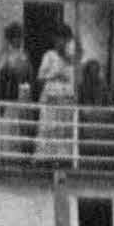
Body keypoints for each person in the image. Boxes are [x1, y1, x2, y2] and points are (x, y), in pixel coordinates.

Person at [34, 24, 82, 159]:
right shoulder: (49, 56)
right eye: (60, 38)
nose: (62, 42)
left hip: (66, 97)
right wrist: (53, 76)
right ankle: (44, 157)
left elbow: (76, 79)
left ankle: (63, 157)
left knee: (64, 129)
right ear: (55, 39)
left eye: (65, 39)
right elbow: (40, 79)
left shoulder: (72, 59)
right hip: (51, 95)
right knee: (49, 127)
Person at [0, 22, 36, 155]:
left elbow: (30, 74)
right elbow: (0, 77)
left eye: (20, 37)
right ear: (10, 39)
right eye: (15, 37)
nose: (18, 40)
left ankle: (21, 154)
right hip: (9, 93)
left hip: (23, 94)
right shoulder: (4, 55)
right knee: (9, 124)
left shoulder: (25, 55)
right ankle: (7, 153)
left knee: (22, 125)